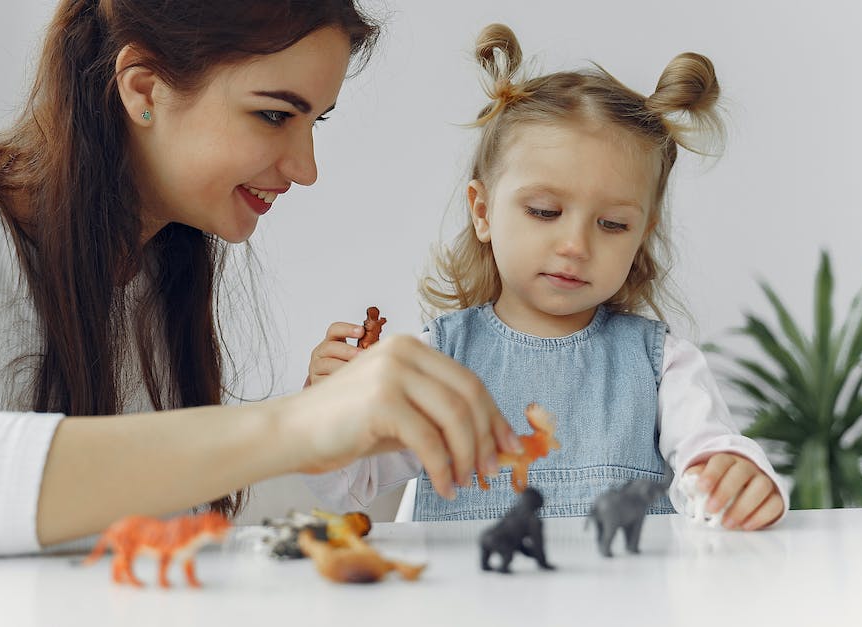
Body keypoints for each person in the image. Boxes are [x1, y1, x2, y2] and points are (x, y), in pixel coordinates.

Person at [0, 1, 525, 564]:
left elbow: (151, 499)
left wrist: (329, 447)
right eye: (272, 115)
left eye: (314, 121)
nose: (305, 168)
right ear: (143, 88)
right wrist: (290, 425)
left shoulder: (168, 264)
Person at [303, 23, 788, 530]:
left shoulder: (663, 365)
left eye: (612, 224)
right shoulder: (437, 362)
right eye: (543, 211)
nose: (576, 246)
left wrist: (734, 477)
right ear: (483, 211)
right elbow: (346, 486)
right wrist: (327, 410)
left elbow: (709, 457)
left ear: (642, 233)